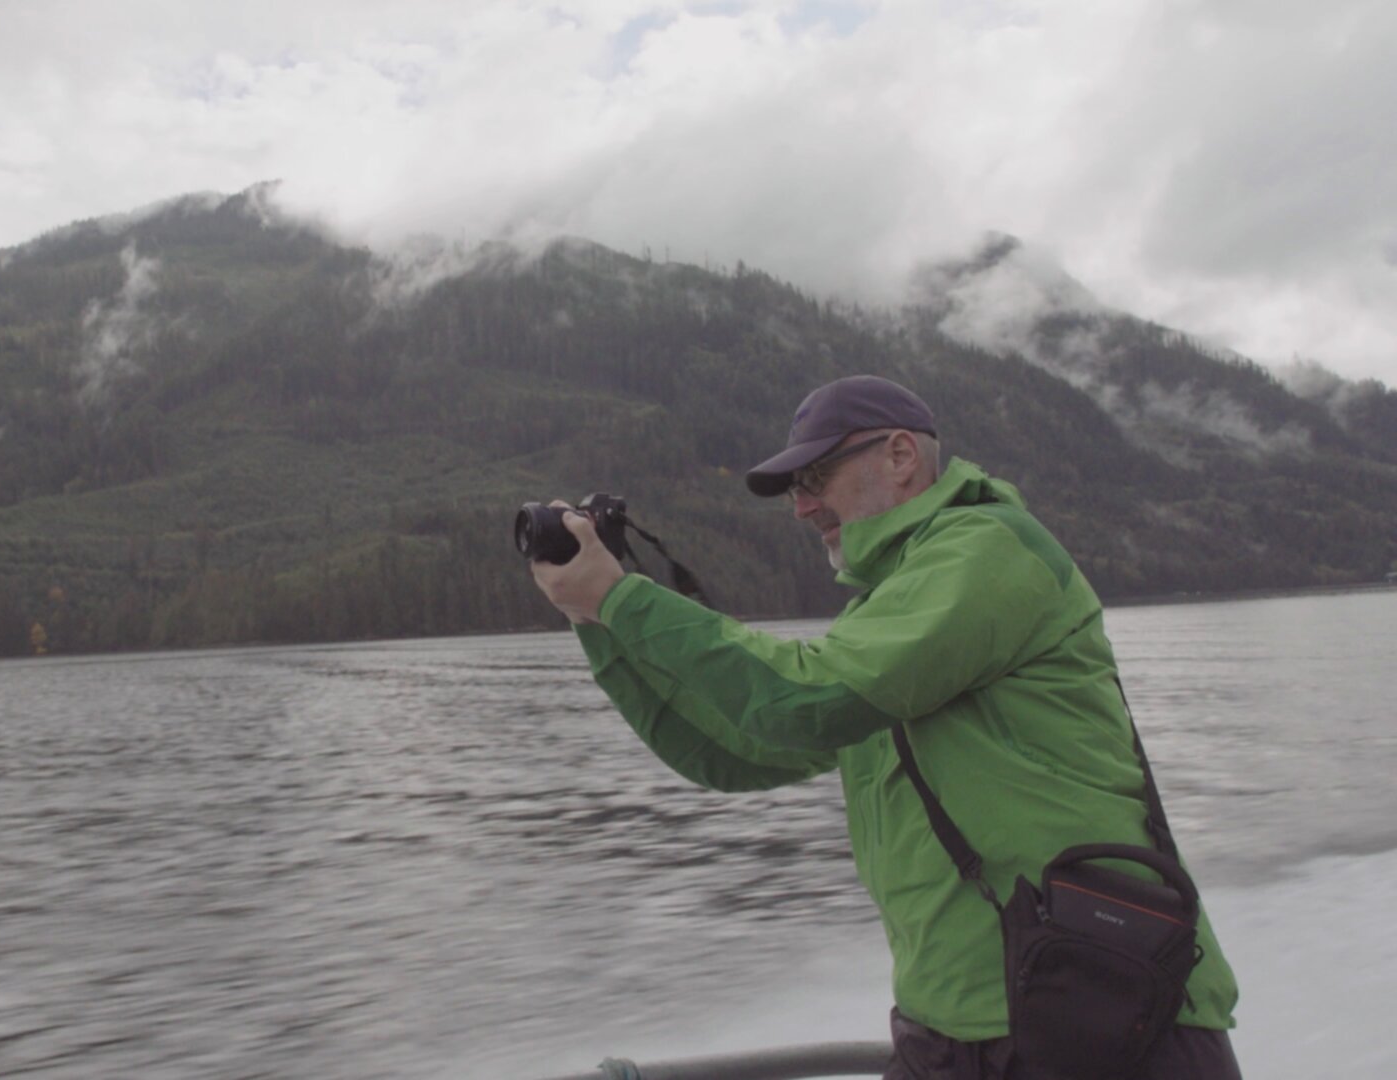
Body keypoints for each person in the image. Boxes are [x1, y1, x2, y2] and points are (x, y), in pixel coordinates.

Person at [529, 375, 1241, 1079]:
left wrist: (625, 599)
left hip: (1102, 1015)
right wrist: (595, 620)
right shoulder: (888, 612)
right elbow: (732, 753)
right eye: (793, 491)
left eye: (815, 477)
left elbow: (805, 700)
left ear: (901, 456)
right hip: (956, 1023)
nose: (802, 506)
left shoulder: (986, 547)